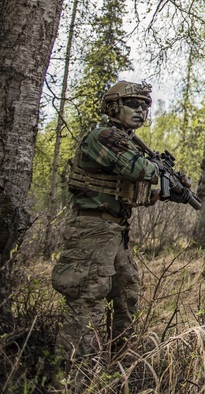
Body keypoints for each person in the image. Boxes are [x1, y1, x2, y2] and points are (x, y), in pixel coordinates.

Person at [51, 80, 194, 362]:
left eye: (145, 106)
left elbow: (123, 190)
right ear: (114, 107)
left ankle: (119, 367)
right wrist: (164, 174)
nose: (141, 111)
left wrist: (162, 194)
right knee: (87, 301)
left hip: (115, 231)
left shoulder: (126, 141)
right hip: (91, 233)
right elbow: (136, 168)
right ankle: (69, 379)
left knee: (126, 294)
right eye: (133, 105)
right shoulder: (103, 136)